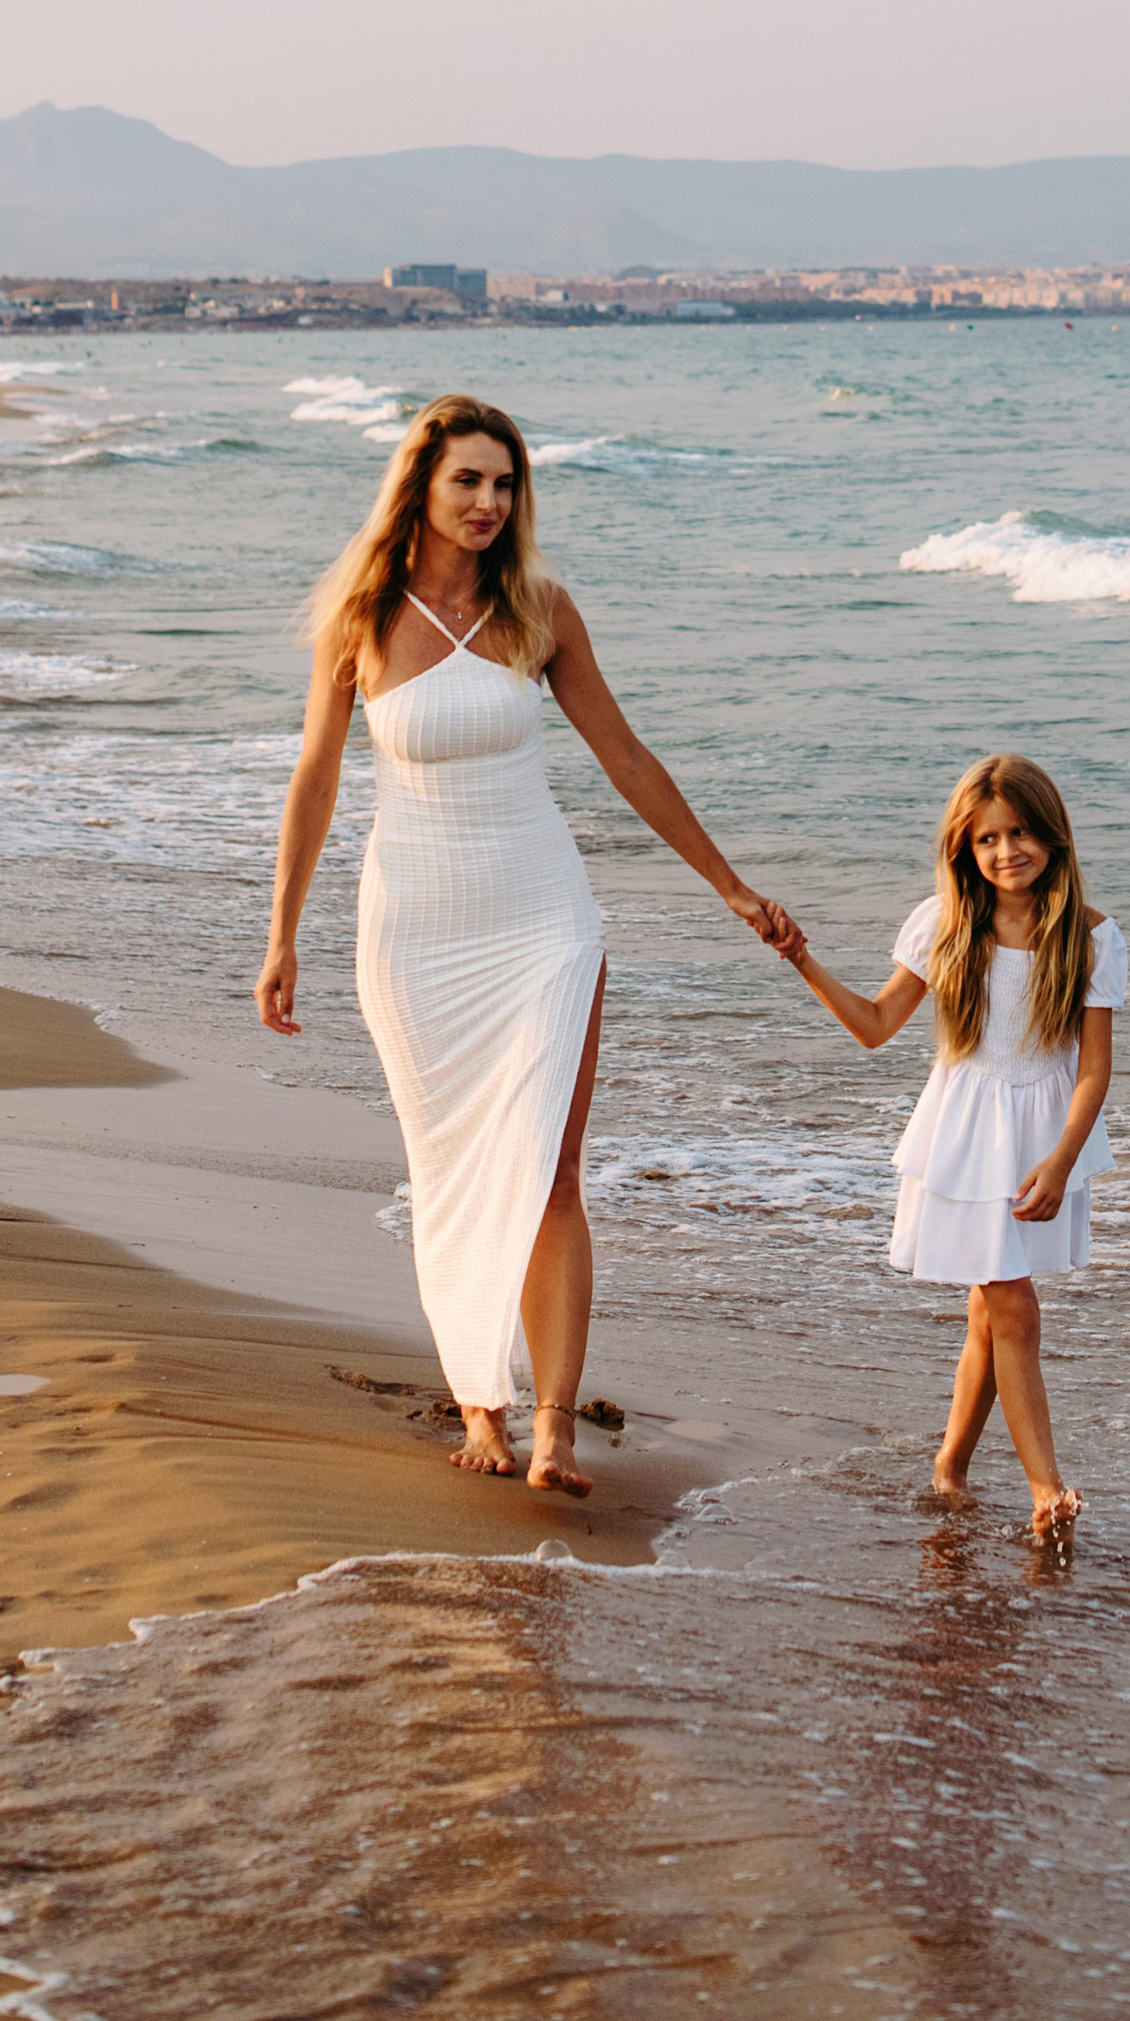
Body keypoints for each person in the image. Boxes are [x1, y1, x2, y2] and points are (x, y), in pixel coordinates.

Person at [257, 393, 798, 1496]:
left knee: (551, 1169)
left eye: (505, 484)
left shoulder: (540, 608)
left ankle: (550, 1424)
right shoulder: (358, 616)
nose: (489, 503)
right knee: (450, 1165)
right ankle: (478, 1404)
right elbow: (314, 782)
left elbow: (627, 757)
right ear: (421, 485)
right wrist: (282, 934)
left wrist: (728, 883)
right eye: (468, 480)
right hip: (412, 926)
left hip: (542, 915)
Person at [774, 753, 1121, 1537]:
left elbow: (1094, 1070)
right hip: (966, 1135)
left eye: (1022, 831)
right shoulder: (944, 923)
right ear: (967, 847)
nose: (1007, 850)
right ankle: (1047, 1491)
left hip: (1043, 1138)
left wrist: (1063, 1159)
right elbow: (873, 1025)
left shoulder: (1093, 937)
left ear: (1053, 834)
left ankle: (951, 1465)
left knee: (989, 1313)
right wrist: (804, 960)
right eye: (989, 838)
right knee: (1013, 1310)